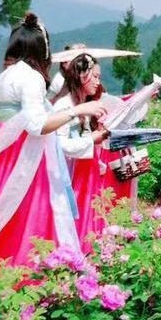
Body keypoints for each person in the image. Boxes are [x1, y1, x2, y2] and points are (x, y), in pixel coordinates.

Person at [0, 13, 106, 273]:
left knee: (3, 217)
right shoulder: (30, 78)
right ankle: (26, 280)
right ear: (44, 50)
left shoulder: (3, 77)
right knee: (27, 221)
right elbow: (37, 125)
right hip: (24, 160)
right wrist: (77, 111)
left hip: (2, 160)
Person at [52, 54, 109, 249]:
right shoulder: (65, 106)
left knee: (91, 219)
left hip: (87, 175)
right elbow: (59, 146)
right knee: (76, 222)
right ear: (81, 76)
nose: (97, 82)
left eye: (99, 77)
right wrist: (91, 139)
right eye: (94, 76)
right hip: (73, 177)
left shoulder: (84, 104)